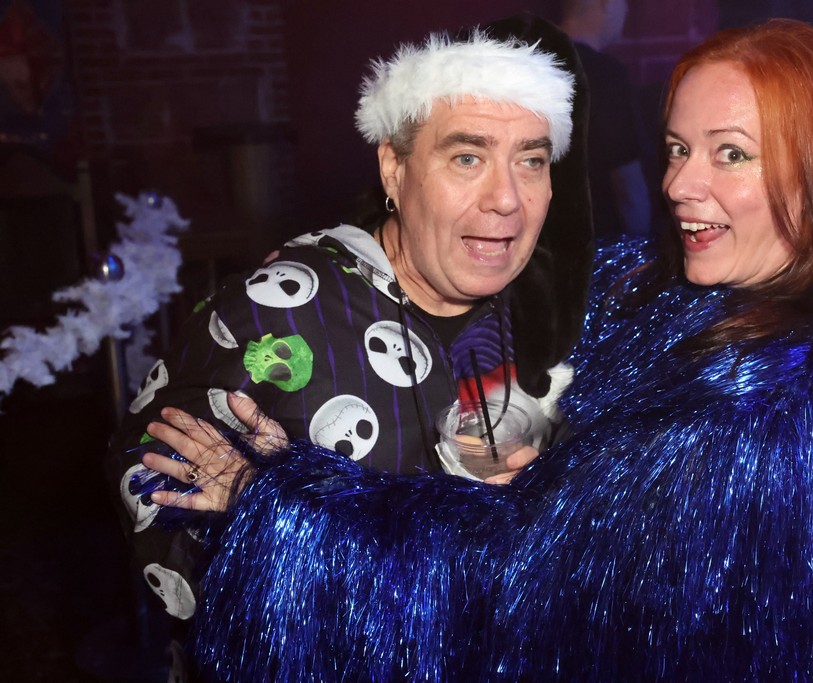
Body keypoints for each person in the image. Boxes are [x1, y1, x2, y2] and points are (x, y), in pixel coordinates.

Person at [156, 19, 813, 682]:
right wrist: (358, 260)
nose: (678, 184)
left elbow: (516, 581)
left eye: (730, 153)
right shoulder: (679, 292)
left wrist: (279, 499)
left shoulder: (793, 395)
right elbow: (541, 277)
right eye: (677, 147)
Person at [105, 15, 592, 680]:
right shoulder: (278, 313)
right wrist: (274, 512)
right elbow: (149, 489)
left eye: (531, 161)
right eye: (467, 158)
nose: (506, 198)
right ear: (395, 167)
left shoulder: (556, 318)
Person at [560, 0, 653, 239]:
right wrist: (642, 248)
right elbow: (627, 183)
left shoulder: (527, 65)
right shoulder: (607, 76)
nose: (626, 10)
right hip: (598, 245)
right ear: (607, 4)